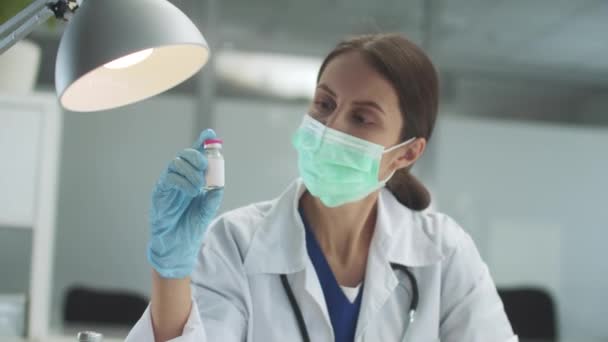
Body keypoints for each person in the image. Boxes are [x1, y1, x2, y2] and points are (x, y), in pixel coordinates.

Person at [126, 33, 517, 342]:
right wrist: (170, 273)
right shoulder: (236, 243)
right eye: (324, 104)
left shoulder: (444, 255)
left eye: (362, 118)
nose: (331, 127)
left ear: (406, 153)